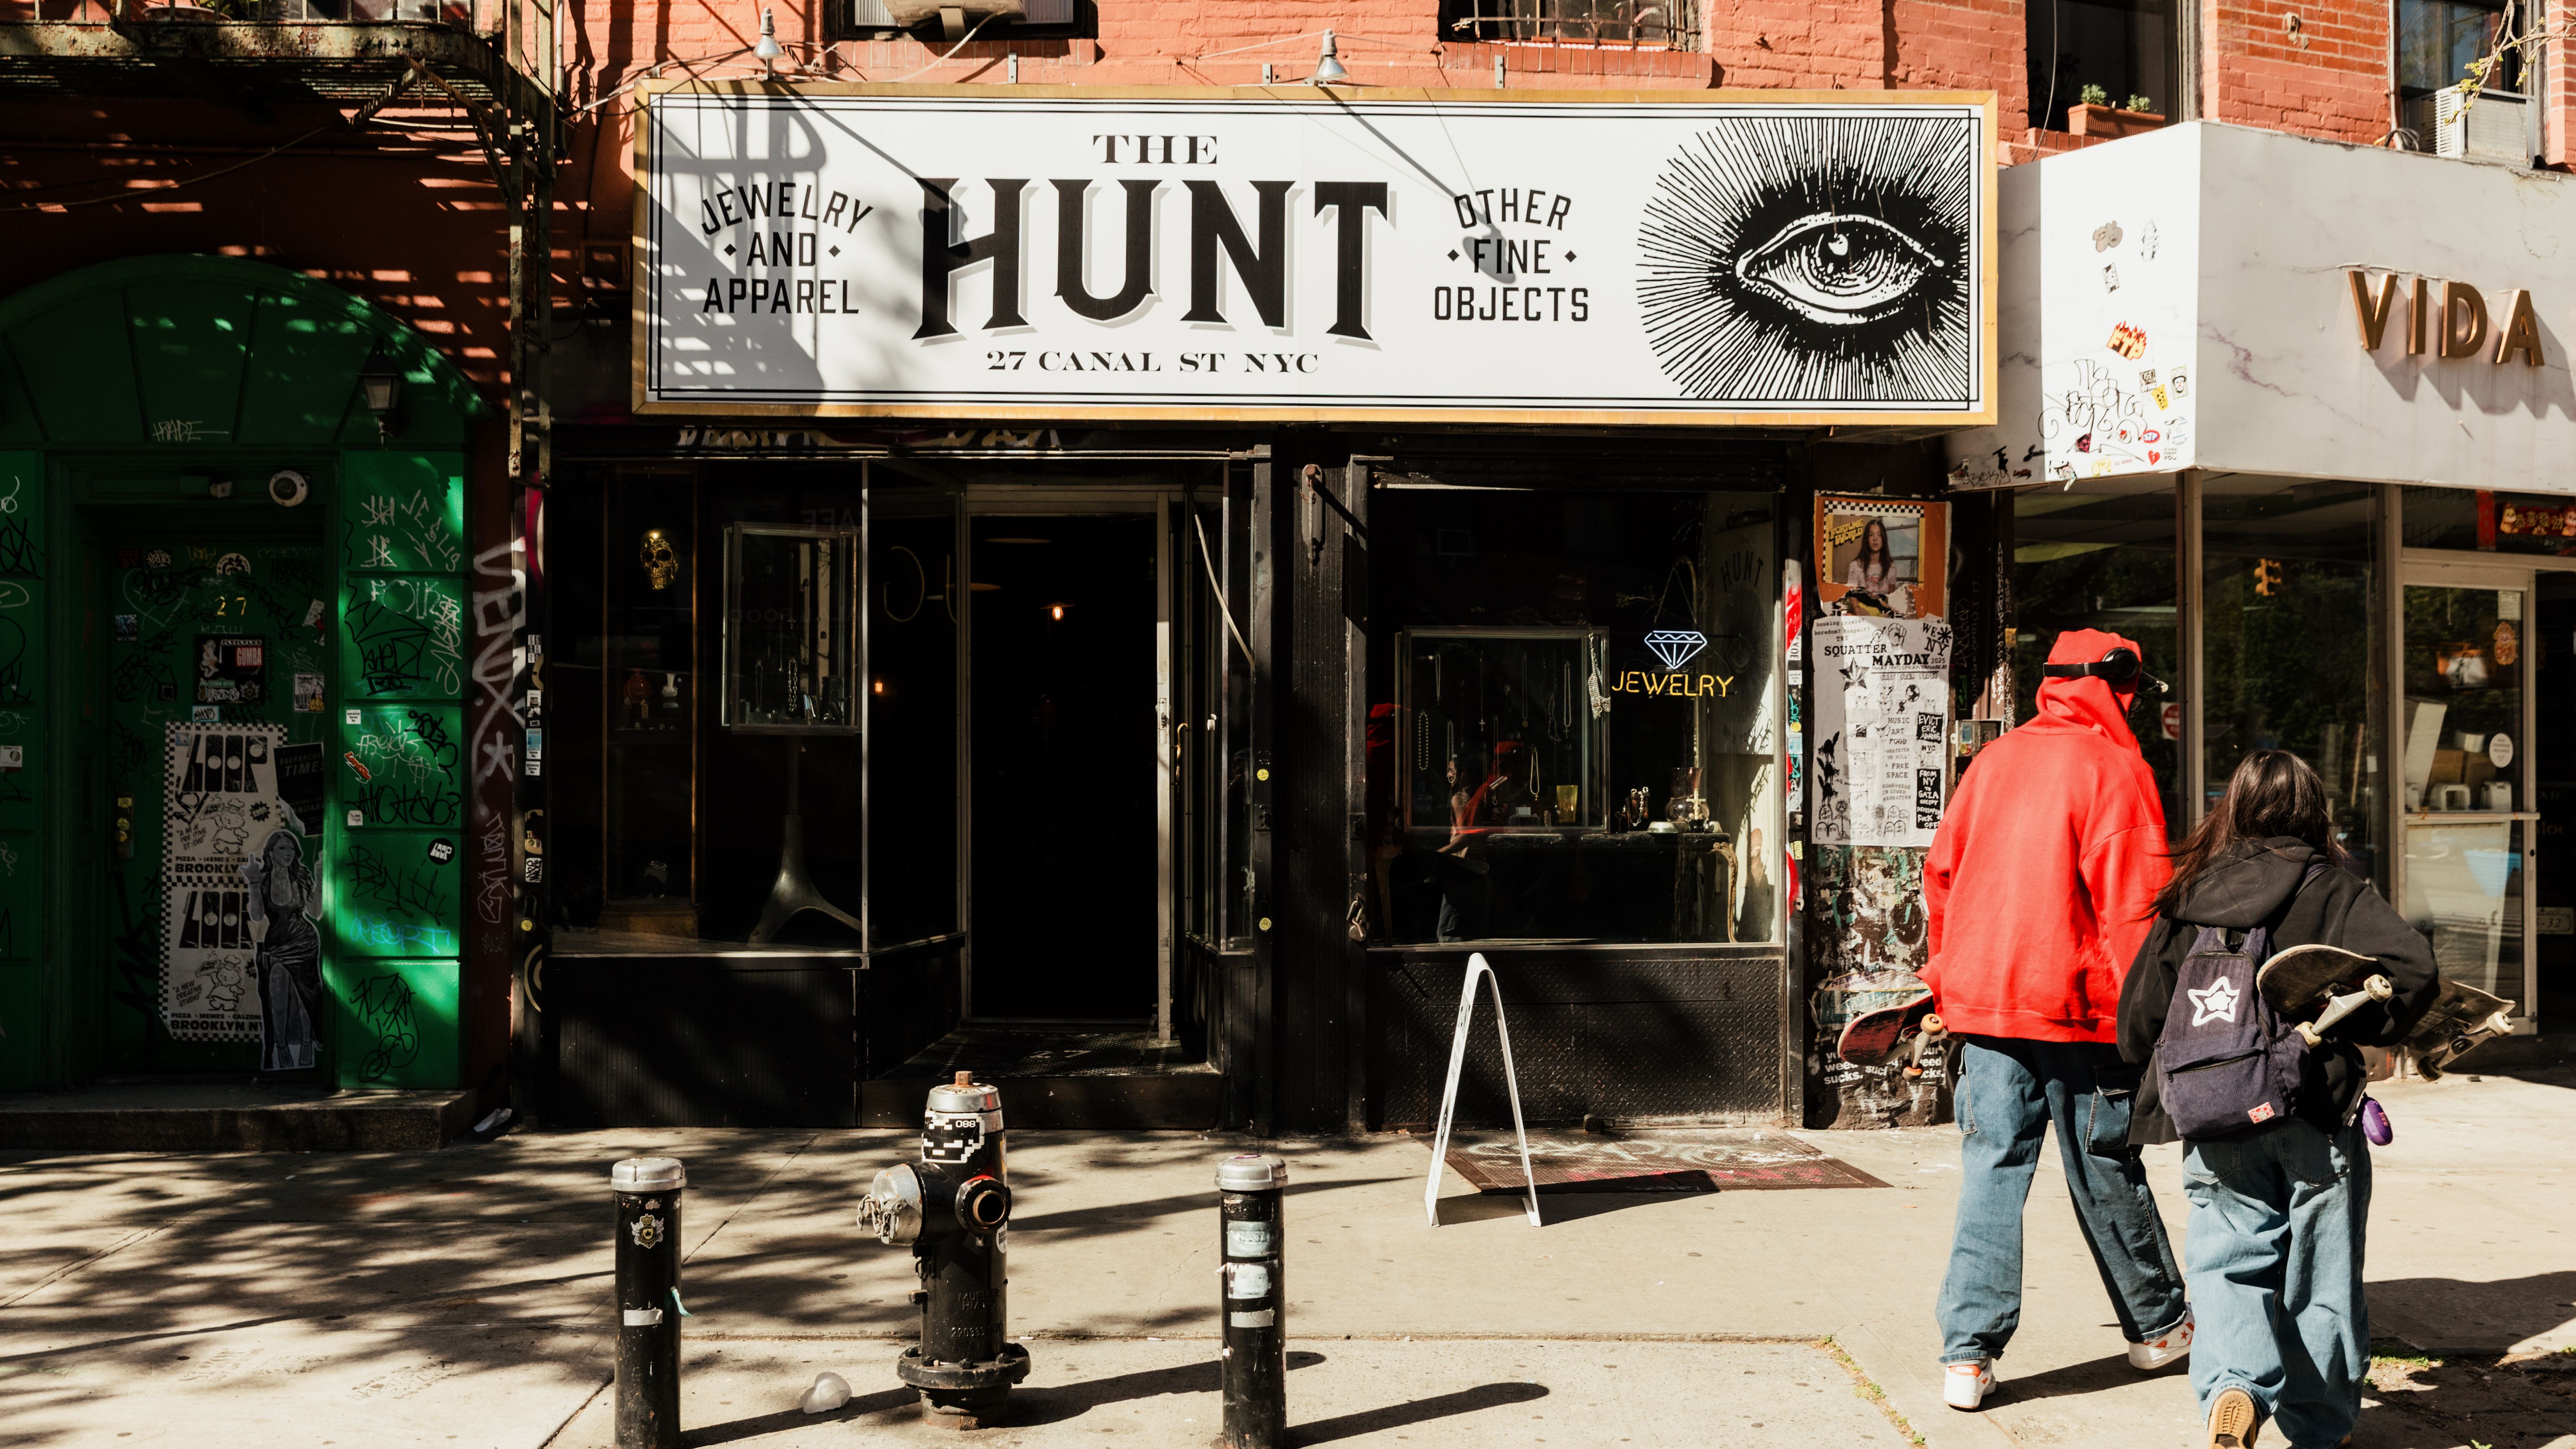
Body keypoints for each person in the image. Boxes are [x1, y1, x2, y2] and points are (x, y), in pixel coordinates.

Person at [2118, 750, 2437, 1449]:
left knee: (2225, 1259)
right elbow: (2415, 972)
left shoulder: (2191, 892)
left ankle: (2232, 1388)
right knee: (2319, 1275)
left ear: (2231, 809)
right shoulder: (2334, 889)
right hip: (2313, 1110)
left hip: (2216, 1112)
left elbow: (2136, 1022)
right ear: (2313, 811)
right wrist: (2361, 1027)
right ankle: (2317, 1429)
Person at [1920, 629, 2192, 1411]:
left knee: (1991, 1168)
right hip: (2080, 1010)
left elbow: (1940, 878)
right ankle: (2158, 1327)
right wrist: (2154, 1021)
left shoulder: (1992, 762)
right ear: (2116, 686)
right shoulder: (2117, 768)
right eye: (2132, 690)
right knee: (2103, 1164)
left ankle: (1966, 1357)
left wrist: (1947, 981)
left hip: (1987, 1002)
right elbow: (2133, 912)